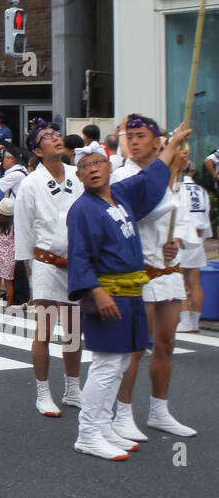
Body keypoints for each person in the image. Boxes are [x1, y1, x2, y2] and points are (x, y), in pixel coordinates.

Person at [67, 124, 191, 460]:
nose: (93, 170)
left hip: (132, 289)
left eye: (98, 164)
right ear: (79, 176)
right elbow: (79, 255)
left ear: (110, 166)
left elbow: (151, 177)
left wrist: (174, 143)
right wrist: (96, 291)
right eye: (85, 167)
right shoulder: (82, 209)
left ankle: (105, 426)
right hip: (108, 293)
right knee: (107, 364)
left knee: (121, 362)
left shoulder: (120, 194)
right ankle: (88, 432)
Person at [110, 114, 198, 439]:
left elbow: (186, 221)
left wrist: (179, 241)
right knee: (134, 347)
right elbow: (137, 213)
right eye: (128, 135)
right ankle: (121, 413)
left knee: (167, 343)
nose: (133, 141)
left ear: (156, 141)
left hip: (169, 272)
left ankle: (159, 410)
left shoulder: (177, 180)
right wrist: (169, 171)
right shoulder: (121, 176)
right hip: (138, 273)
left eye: (140, 136)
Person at [13, 123, 84, 418]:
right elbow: (23, 227)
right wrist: (28, 268)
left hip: (75, 262)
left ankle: (73, 387)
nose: (56, 139)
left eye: (57, 135)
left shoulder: (77, 177)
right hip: (44, 261)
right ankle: (43, 391)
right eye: (48, 138)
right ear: (39, 151)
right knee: (43, 330)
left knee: (73, 332)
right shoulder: (30, 183)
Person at [177, 151, 210, 333]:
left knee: (179, 280)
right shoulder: (201, 191)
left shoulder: (178, 188)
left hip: (182, 238)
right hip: (197, 238)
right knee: (195, 281)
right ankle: (195, 321)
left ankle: (185, 321)